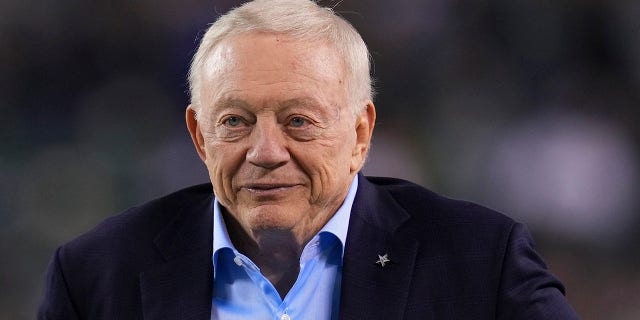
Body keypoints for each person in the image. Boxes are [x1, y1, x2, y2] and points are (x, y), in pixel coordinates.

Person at [38, 0, 580, 319]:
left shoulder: (479, 261)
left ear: (360, 134)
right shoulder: (95, 277)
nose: (266, 153)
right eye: (234, 122)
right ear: (200, 139)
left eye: (299, 121)